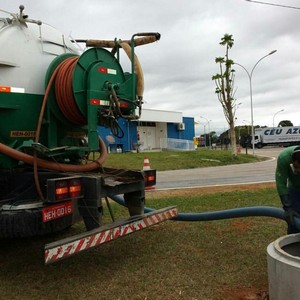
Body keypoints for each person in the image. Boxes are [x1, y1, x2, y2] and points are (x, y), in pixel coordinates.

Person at [276, 145, 300, 234]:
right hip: (294, 189)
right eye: (297, 168)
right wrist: (287, 206)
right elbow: (281, 183)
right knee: (293, 219)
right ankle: (294, 241)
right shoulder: (284, 158)